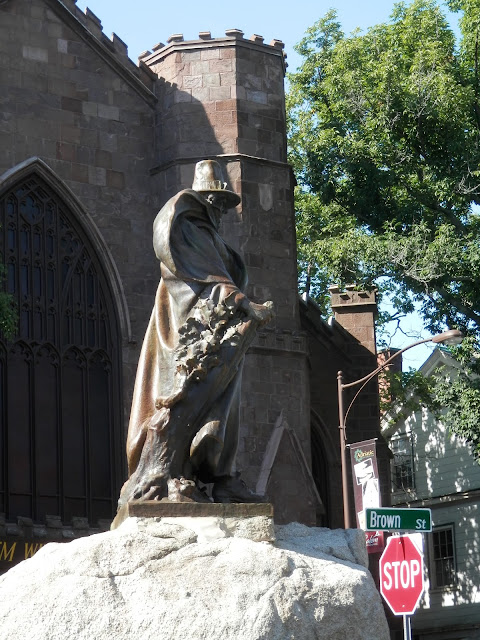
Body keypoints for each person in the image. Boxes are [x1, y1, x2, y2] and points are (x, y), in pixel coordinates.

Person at [118, 160, 273, 506]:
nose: (220, 208)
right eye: (213, 199)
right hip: (188, 333)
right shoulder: (188, 227)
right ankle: (170, 473)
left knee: (224, 402)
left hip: (218, 331)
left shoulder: (209, 234)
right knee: (184, 397)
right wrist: (243, 302)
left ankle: (219, 476)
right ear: (200, 199)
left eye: (224, 201)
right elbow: (202, 275)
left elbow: (219, 275)